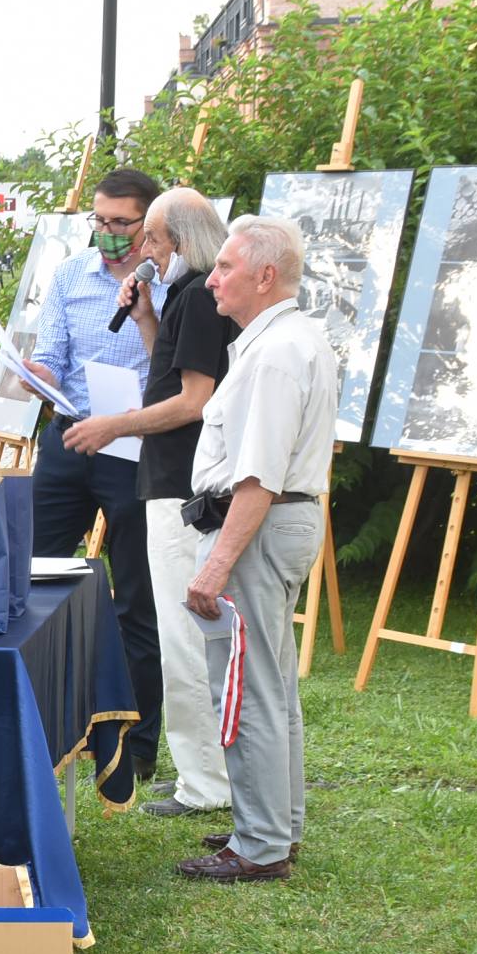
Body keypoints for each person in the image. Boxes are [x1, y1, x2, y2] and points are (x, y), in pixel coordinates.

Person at [63, 187, 237, 819]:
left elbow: (192, 400)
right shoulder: (192, 298)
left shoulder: (196, 295)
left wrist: (116, 425)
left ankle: (203, 784)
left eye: (155, 241)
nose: (148, 253)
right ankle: (202, 772)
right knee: (182, 630)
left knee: (181, 636)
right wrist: (142, 321)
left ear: (182, 242)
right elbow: (174, 369)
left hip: (177, 482)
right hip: (171, 479)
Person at [176, 216, 336, 883]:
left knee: (248, 689)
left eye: (227, 268)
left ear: (266, 277)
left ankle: (261, 843)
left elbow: (258, 477)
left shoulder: (274, 354)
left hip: (258, 527)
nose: (212, 277)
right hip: (280, 525)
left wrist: (216, 563)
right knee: (271, 684)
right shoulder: (288, 340)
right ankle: (274, 824)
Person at [22, 168, 168, 786]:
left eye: (120, 223)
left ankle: (135, 742)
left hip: (136, 446)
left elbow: (177, 374)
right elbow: (51, 357)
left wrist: (145, 315)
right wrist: (33, 374)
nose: (107, 234)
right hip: (71, 436)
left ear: (148, 224)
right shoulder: (71, 275)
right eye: (99, 221)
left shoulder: (174, 281)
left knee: (137, 595)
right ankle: (33, 716)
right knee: (30, 574)